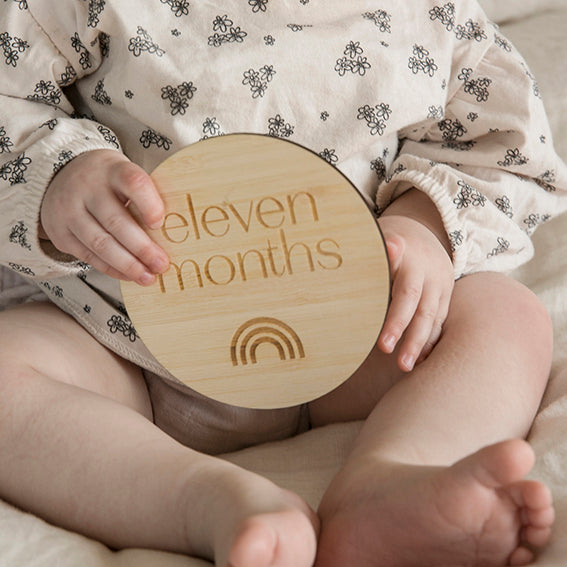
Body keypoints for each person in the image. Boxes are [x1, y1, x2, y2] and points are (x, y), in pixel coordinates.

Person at [1, 1, 566, 565]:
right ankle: (204, 500)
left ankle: (394, 479)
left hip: (355, 330)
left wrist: (424, 224)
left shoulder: (432, 12)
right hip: (121, 333)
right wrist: (58, 175)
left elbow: (500, 140)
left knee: (505, 314)